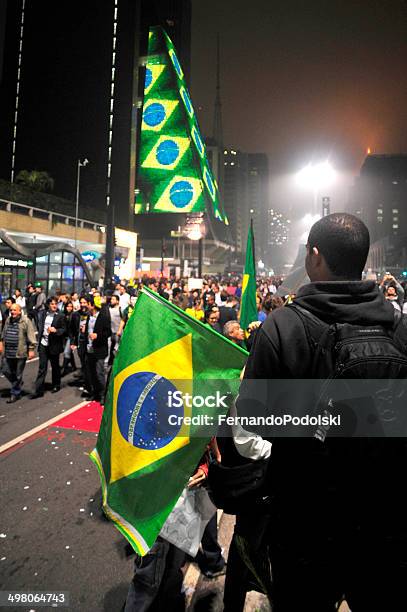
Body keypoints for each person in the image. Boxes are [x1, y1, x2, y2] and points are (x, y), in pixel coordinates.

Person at [235, 213, 407, 611]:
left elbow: (249, 431)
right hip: (387, 523)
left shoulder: (280, 328)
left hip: (306, 527)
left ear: (314, 257)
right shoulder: (401, 330)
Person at [0, 303, 36, 402]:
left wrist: (31, 349)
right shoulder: (8, 319)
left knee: (18, 374)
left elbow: (31, 336)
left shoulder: (26, 321)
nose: (12, 312)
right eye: (11, 310)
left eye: (15, 310)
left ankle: (14, 393)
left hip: (20, 352)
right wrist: (1, 342)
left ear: (20, 311)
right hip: (8, 352)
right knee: (5, 370)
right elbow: (4, 332)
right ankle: (17, 383)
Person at [31, 297, 66, 398]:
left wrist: (56, 331)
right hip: (43, 343)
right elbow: (39, 324)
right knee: (42, 367)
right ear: (48, 305)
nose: (54, 306)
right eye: (52, 304)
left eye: (55, 304)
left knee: (55, 366)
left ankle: (56, 384)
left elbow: (64, 329)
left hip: (54, 344)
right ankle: (38, 390)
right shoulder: (43, 314)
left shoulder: (60, 316)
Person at [82, 295, 111, 403]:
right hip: (89, 349)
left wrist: (97, 336)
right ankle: (94, 393)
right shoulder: (89, 316)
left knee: (99, 373)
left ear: (92, 305)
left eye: (86, 303)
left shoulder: (103, 317)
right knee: (91, 373)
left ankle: (103, 395)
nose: (84, 305)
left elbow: (108, 332)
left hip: (99, 349)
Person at [61, 301, 77, 375]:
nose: (69, 308)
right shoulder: (63, 315)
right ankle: (73, 366)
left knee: (66, 352)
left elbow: (75, 328)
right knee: (69, 352)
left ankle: (63, 369)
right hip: (64, 336)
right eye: (68, 306)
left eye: (71, 306)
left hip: (71, 337)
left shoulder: (74, 315)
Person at [107, 294, 122, 365]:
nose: (111, 300)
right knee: (109, 348)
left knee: (116, 350)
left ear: (117, 301)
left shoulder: (120, 309)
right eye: (111, 299)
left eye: (113, 299)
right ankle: (107, 365)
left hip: (118, 333)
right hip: (110, 332)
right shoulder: (109, 309)